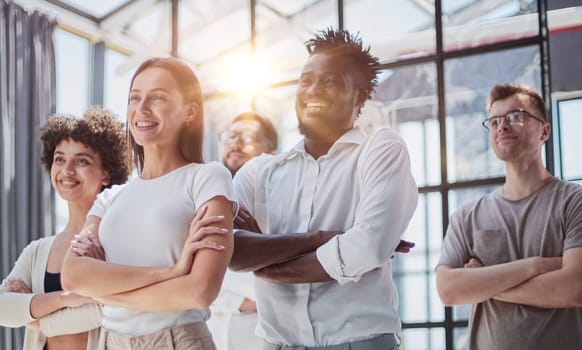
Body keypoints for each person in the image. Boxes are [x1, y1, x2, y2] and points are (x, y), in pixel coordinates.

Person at [230, 28, 418, 350]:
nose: (313, 89)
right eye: (305, 80)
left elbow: (367, 248)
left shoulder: (380, 150)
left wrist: (265, 261)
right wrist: (322, 239)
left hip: (360, 343)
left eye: (330, 81)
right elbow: (230, 250)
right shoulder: (259, 172)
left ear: (359, 96)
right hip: (277, 343)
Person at [61, 57, 237, 350]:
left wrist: (103, 293)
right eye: (135, 98)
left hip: (176, 340)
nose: (141, 109)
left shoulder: (207, 179)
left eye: (157, 98)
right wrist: (172, 273)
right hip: (109, 342)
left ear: (189, 111)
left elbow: (199, 291)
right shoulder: (110, 198)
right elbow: (73, 276)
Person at [435, 83, 582, 349]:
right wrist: (536, 265)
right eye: (494, 121)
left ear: (545, 130)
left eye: (516, 116)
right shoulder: (467, 216)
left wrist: (483, 282)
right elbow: (449, 290)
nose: (502, 126)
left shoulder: (574, 202)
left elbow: (574, 288)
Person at [0, 108, 129, 350]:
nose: (67, 170)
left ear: (106, 173)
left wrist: (33, 318)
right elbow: (2, 308)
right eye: (60, 159)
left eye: (82, 161)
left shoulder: (118, 243)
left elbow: (110, 309)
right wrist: (65, 299)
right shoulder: (37, 250)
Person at [208, 112, 278, 350]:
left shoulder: (284, 205)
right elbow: (188, 281)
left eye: (248, 137)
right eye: (230, 136)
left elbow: (283, 283)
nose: (236, 143)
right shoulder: (202, 202)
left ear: (272, 153)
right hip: (213, 338)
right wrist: (238, 300)